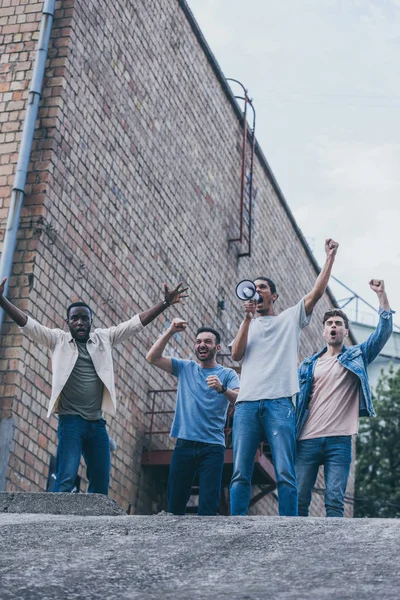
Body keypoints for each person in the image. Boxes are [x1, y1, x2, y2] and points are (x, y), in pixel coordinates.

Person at [0, 276, 187, 495]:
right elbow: (27, 323)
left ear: (91, 322)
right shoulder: (57, 339)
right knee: (66, 478)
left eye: (84, 319)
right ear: (68, 322)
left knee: (100, 482)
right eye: (75, 319)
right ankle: (53, 522)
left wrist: (165, 304)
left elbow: (135, 324)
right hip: (70, 422)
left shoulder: (103, 339)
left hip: (96, 424)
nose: (80, 323)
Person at [230, 239, 339, 516]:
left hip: (279, 403)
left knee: (284, 471)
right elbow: (235, 355)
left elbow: (316, 293)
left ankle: (289, 525)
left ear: (274, 296)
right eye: (253, 289)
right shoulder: (248, 324)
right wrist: (246, 320)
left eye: (262, 288)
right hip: (247, 404)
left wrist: (329, 258)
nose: (256, 292)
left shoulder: (290, 318)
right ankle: (235, 524)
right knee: (240, 471)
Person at [296, 279, 393, 517]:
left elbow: (383, 333)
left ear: (345, 332)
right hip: (307, 438)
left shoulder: (358, 356)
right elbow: (296, 401)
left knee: (334, 502)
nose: (333, 327)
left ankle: (332, 553)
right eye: (329, 323)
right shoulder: (309, 364)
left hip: (339, 441)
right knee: (297, 501)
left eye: (338, 324)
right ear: (323, 331)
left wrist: (381, 295)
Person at [146, 319, 240, 515]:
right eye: (198, 342)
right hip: (184, 444)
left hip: (212, 447)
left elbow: (240, 399)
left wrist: (223, 389)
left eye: (207, 341)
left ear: (217, 347)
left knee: (208, 505)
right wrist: (170, 331)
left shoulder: (227, 374)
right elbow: (152, 357)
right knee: (175, 504)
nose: (202, 345)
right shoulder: (185, 367)